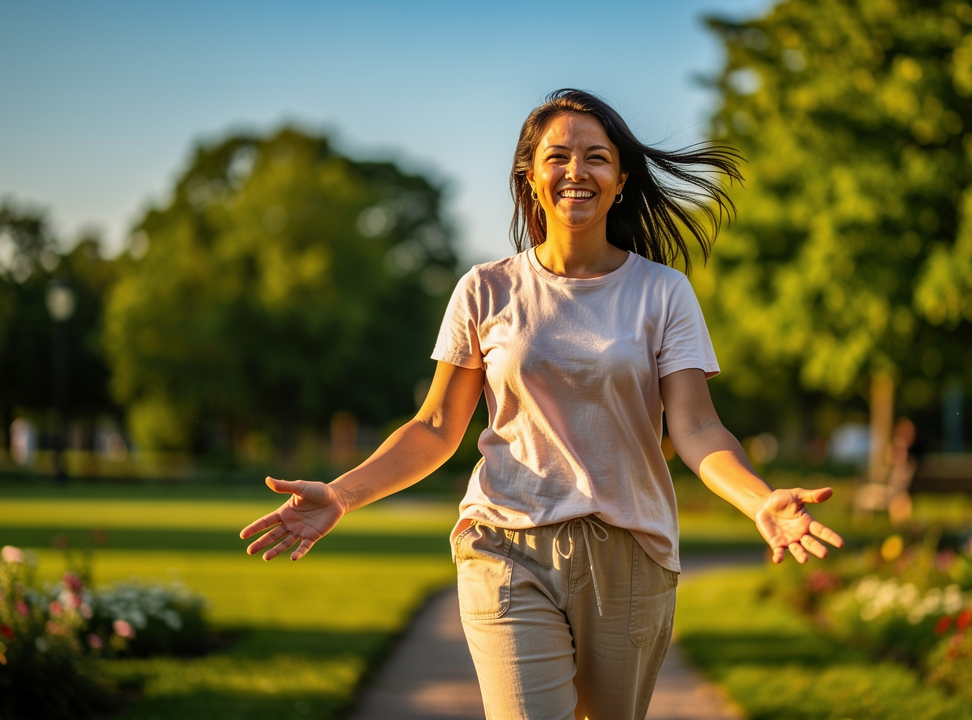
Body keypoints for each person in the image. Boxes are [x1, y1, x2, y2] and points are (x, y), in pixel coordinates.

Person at [240, 88, 844, 720]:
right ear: (530, 177)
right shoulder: (485, 289)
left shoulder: (663, 294)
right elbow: (438, 425)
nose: (576, 171)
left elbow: (695, 426)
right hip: (506, 542)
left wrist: (758, 500)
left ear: (620, 179)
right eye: (558, 156)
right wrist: (342, 494)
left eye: (596, 157)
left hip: (629, 552)